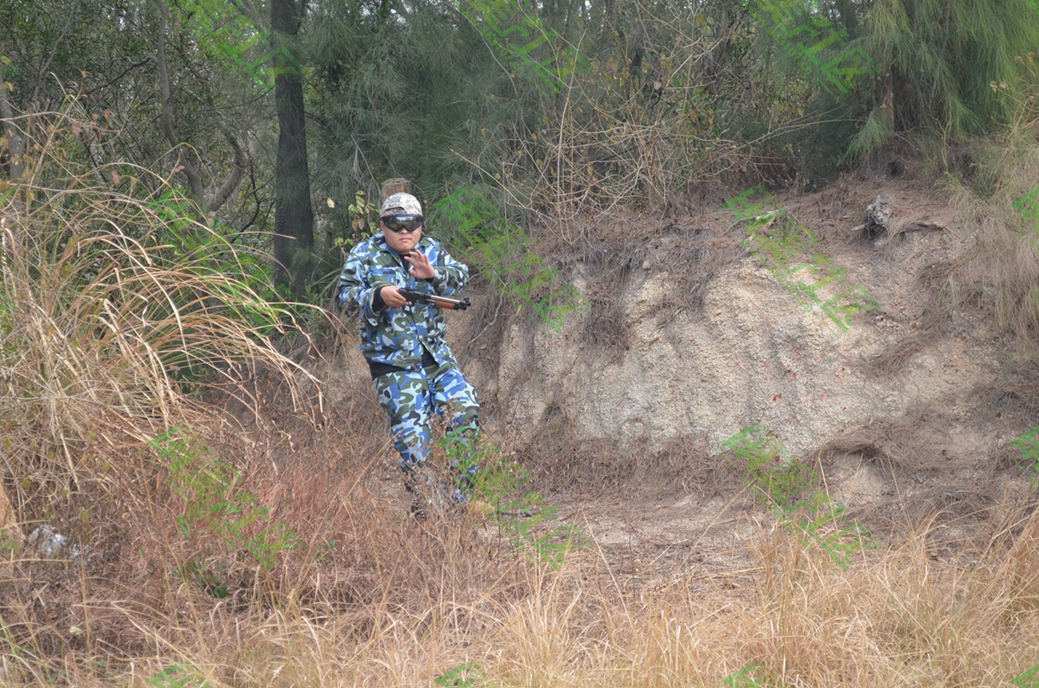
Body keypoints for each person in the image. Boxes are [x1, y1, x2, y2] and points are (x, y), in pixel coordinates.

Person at [336, 192, 482, 518]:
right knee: (414, 439)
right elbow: (344, 300)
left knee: (465, 410)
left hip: (437, 358)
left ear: (421, 225)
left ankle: (462, 501)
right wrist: (378, 296)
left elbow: (461, 275)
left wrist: (434, 275)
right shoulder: (364, 254)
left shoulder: (431, 248)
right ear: (382, 225)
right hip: (393, 365)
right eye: (395, 223)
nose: (404, 230)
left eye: (412, 223)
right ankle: (428, 512)